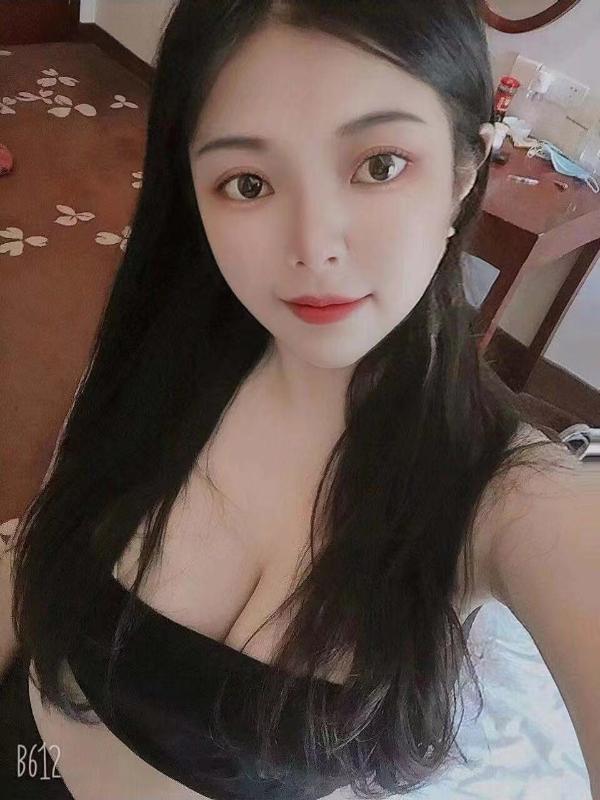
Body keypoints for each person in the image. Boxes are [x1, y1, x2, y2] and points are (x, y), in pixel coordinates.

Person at [1, 1, 598, 799]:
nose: (313, 247)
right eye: (247, 183)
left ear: (463, 174)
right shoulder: (152, 357)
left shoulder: (509, 496)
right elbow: (33, 559)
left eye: (380, 165)